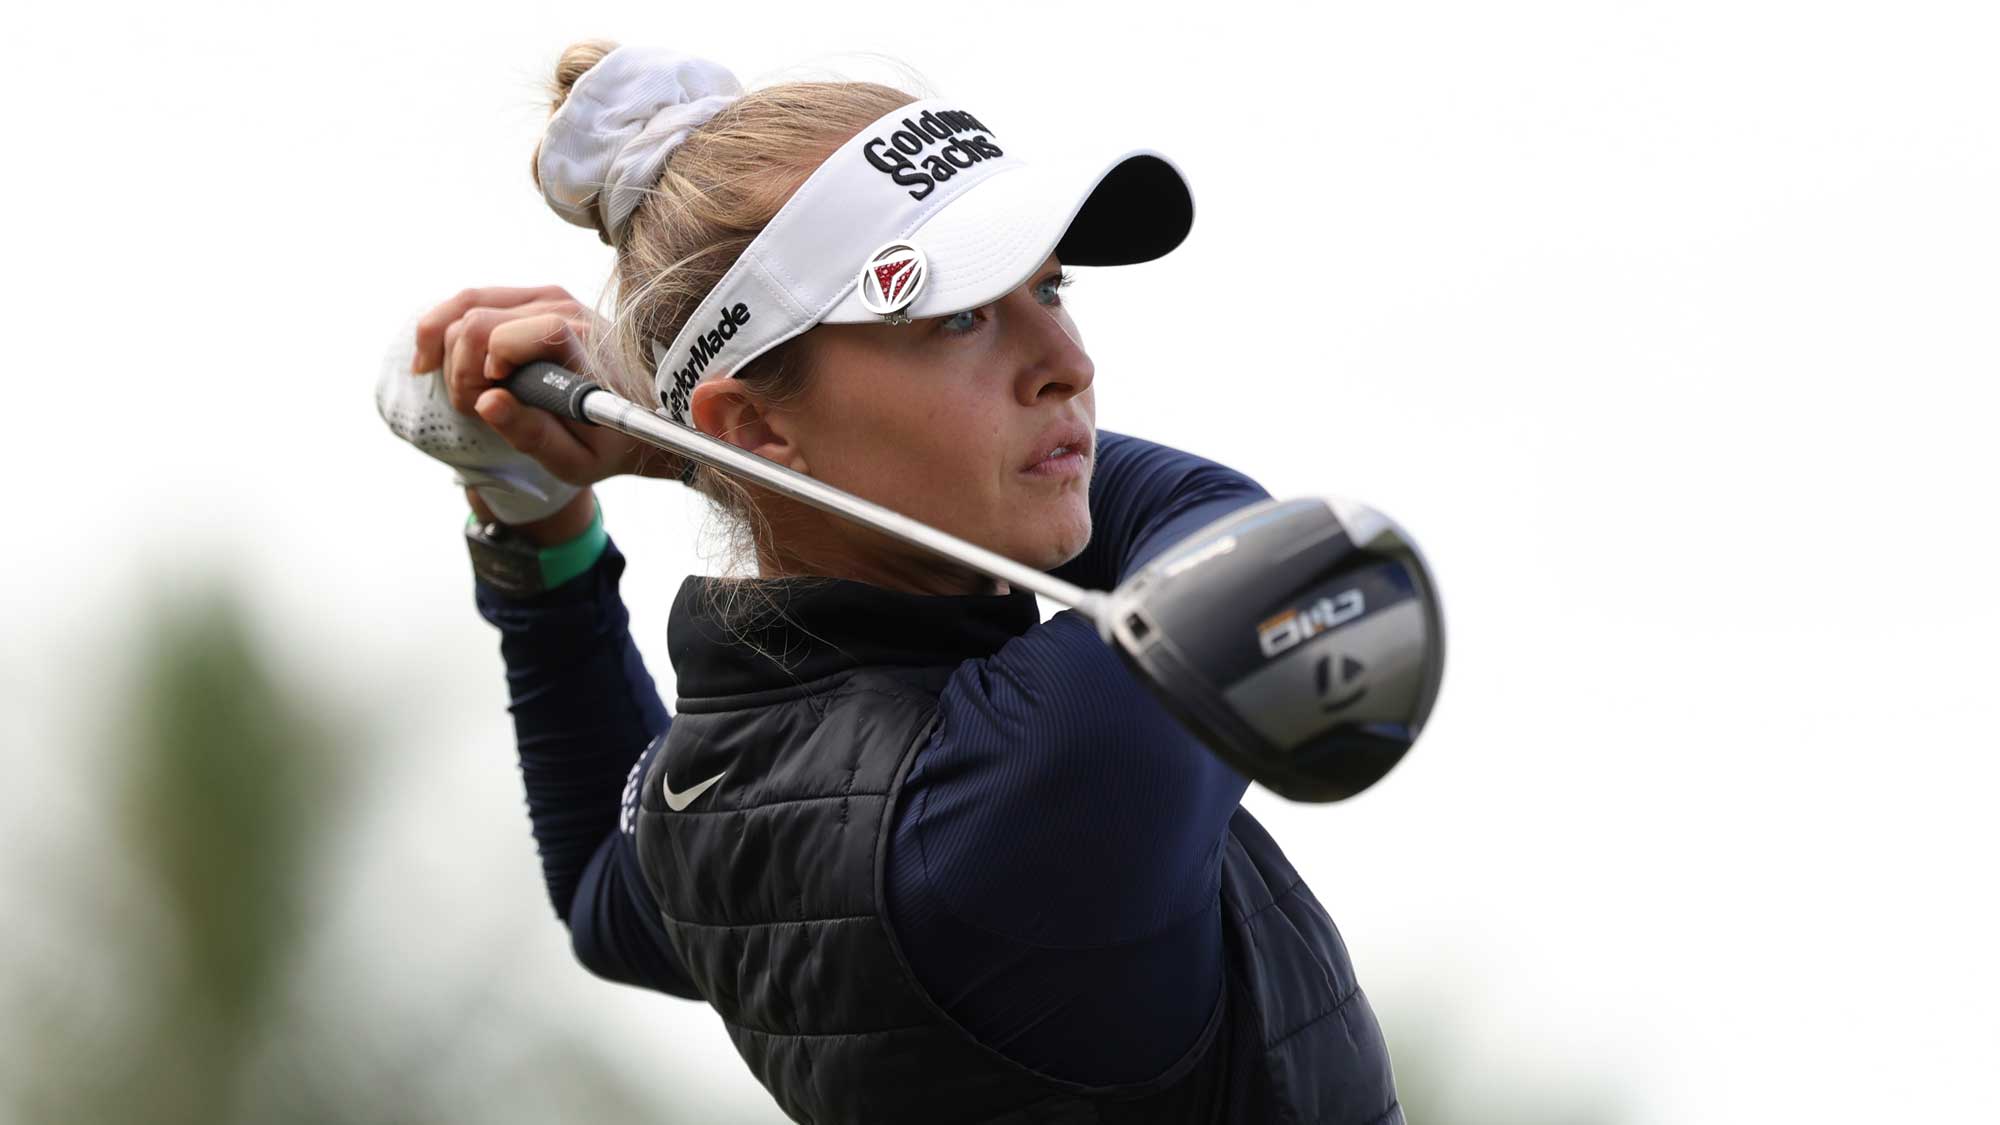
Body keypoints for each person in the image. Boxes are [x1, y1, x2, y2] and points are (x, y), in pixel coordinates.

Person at [383, 40, 1402, 1125]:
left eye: (1048, 286)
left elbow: (599, 877)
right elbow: (1248, 550)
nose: (1065, 358)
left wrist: (536, 527)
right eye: (957, 315)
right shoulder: (1038, 776)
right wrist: (680, 445)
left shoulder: (712, 791)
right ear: (759, 423)